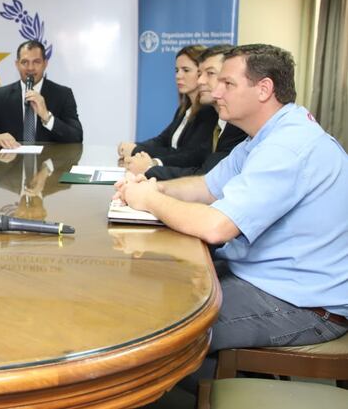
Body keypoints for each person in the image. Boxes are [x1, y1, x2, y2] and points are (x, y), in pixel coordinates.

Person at [115, 44, 348, 352]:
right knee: (158, 290)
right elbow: (207, 187)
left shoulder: (287, 146)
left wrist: (149, 200)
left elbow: (216, 227)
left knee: (162, 328)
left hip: (303, 304)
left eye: (227, 83)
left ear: (264, 89)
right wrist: (156, 188)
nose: (215, 92)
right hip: (265, 277)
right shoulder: (263, 137)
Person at [137, 45, 247, 179]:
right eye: (200, 74)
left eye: (210, 73)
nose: (200, 81)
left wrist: (149, 168)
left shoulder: (237, 124)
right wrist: (151, 162)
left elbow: (206, 176)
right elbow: (195, 156)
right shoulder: (217, 118)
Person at [119, 45, 217, 172]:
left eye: (186, 70)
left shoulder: (209, 112)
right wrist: (134, 146)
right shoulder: (184, 110)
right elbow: (162, 140)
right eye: (176, 70)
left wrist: (136, 150)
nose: (178, 76)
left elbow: (188, 155)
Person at [0, 40, 82, 148]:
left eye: (36, 62)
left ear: (45, 64)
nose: (30, 68)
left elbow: (77, 136)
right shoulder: (0, 95)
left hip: (49, 160)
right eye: (24, 62)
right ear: (17, 64)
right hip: (11, 159)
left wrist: (47, 117)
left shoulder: (63, 94)